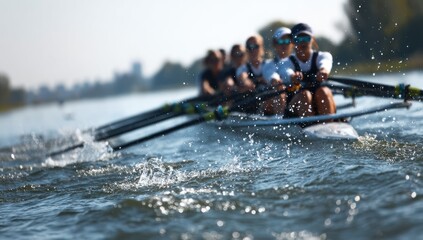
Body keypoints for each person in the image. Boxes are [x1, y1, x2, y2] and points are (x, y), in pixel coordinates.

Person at [285, 23, 336, 117]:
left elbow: (325, 63)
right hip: (296, 108)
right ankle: (307, 126)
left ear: (313, 39)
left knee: (324, 91)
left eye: (306, 38)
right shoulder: (287, 62)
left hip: (318, 102)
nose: (303, 43)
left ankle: (329, 124)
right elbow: (285, 71)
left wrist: (323, 71)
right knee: (305, 95)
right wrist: (292, 76)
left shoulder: (323, 56)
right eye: (298, 39)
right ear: (292, 42)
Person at [262, 27, 294, 115]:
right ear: (274, 44)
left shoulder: (298, 61)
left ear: (292, 43)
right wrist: (274, 79)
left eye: (287, 41)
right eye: (281, 41)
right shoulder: (268, 64)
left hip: (295, 97)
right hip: (276, 98)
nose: (284, 44)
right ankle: (279, 122)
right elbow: (270, 74)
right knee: (279, 88)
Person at [236, 34, 270, 114]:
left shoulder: (269, 64)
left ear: (262, 48)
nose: (253, 50)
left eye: (256, 46)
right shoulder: (242, 68)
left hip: (269, 102)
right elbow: (243, 77)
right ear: (246, 50)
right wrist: (246, 82)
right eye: (249, 47)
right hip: (252, 105)